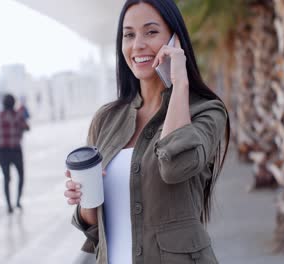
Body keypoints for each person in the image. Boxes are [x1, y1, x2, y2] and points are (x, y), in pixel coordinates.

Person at [64, 0, 231, 263]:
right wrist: (85, 195)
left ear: (175, 41)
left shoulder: (207, 112)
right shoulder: (106, 120)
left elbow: (177, 165)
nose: (138, 44)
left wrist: (179, 83)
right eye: (129, 34)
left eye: (151, 32)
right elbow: (95, 229)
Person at [0, 94, 29, 214]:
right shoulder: (18, 115)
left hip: (2, 152)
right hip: (15, 150)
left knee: (6, 178)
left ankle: (8, 205)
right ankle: (18, 201)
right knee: (21, 176)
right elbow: (27, 127)